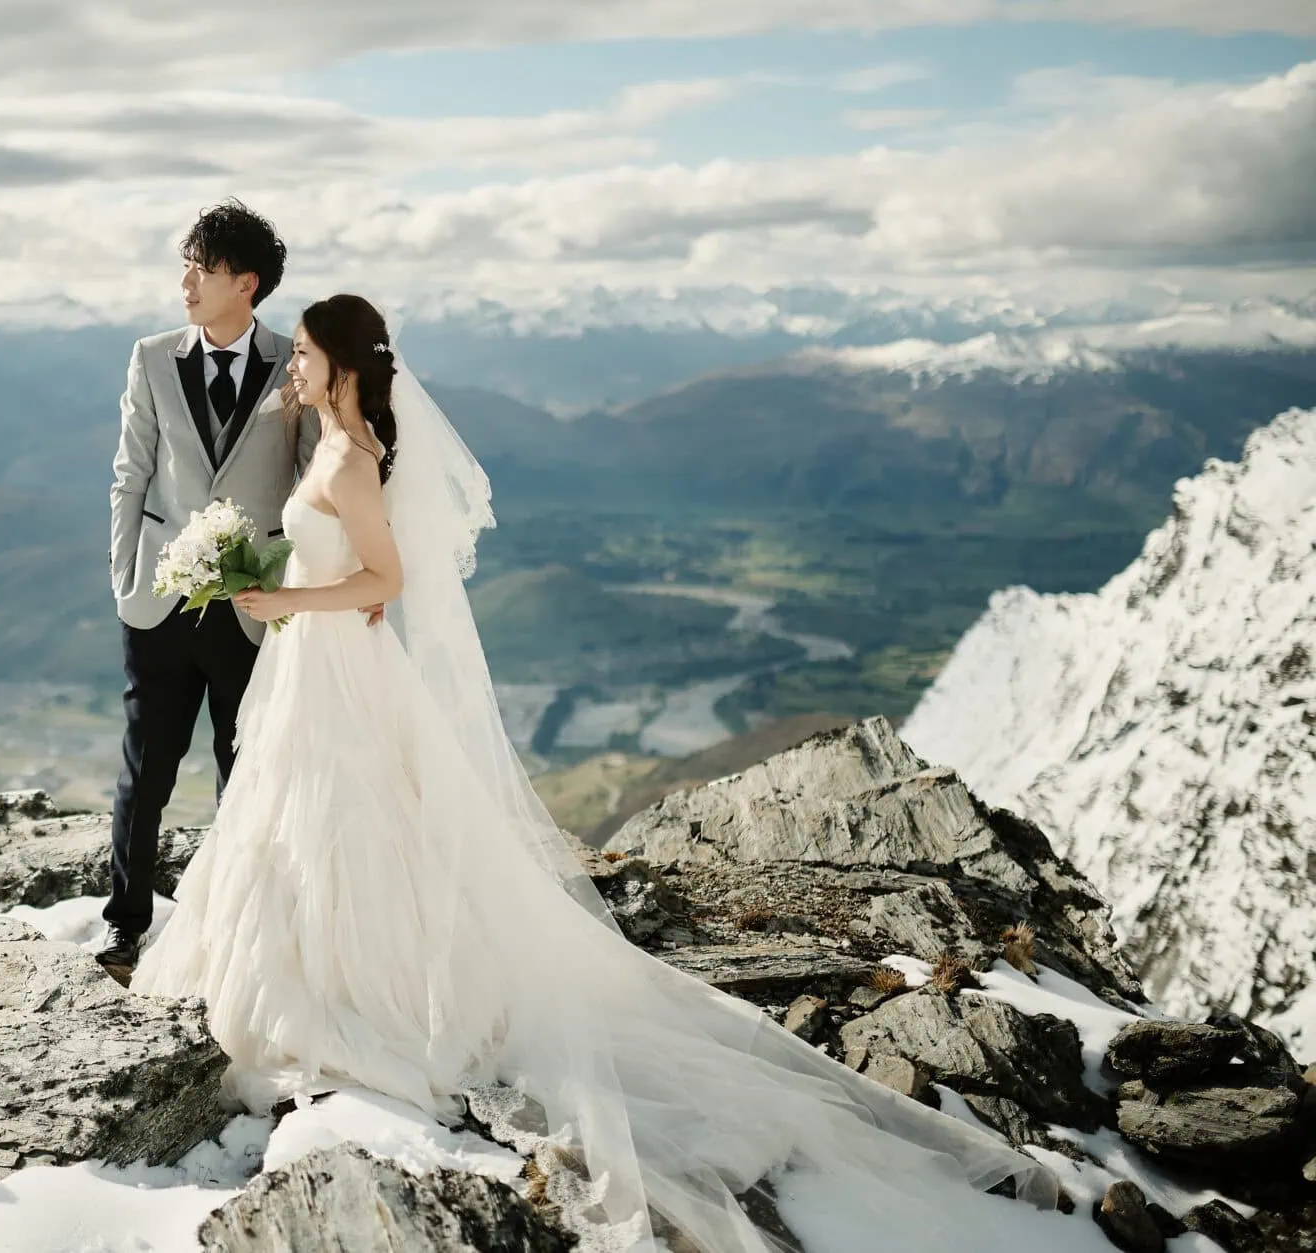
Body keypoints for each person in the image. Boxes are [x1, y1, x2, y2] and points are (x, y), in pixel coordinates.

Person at [131, 294, 1063, 1252]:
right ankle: (311, 960)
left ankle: (365, 987)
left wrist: (287, 598)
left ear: (342, 364)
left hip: (336, 663)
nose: (292, 365)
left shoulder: (351, 459)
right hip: (316, 661)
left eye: (304, 354)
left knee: (342, 814)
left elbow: (387, 579)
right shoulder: (330, 442)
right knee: (300, 813)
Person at [99, 200, 318, 983]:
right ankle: (124, 926)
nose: (186, 283)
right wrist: (125, 577)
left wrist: (294, 583)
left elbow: (311, 480)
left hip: (254, 609)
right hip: (160, 600)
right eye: (185, 266)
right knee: (147, 770)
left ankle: (236, 931)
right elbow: (130, 474)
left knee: (245, 769)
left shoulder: (295, 363)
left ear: (246, 283)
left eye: (203, 269)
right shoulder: (151, 356)